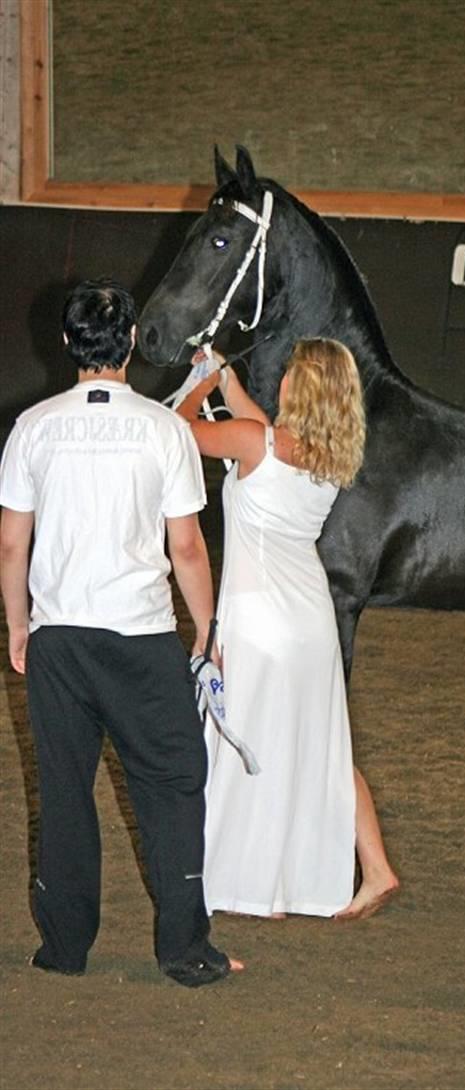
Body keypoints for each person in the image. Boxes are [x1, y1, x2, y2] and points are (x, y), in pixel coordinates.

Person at [0, 280, 242, 987]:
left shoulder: (34, 428)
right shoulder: (164, 429)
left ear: (69, 343)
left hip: (61, 642)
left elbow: (12, 546)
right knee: (173, 783)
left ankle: (65, 949)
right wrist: (208, 630)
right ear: (132, 342)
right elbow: (188, 549)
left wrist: (19, 624)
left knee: (65, 790)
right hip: (139, 639)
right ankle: (185, 949)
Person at [176, 339, 399, 919]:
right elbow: (254, 422)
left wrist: (201, 383)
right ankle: (375, 868)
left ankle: (257, 888)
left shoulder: (258, 444)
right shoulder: (326, 456)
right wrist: (225, 378)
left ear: (297, 389)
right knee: (322, 746)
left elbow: (179, 430)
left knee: (247, 745)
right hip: (311, 622)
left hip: (259, 621)